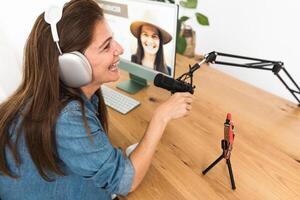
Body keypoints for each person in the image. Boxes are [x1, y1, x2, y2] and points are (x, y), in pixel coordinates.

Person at [0, 0, 193, 199]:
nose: (119, 49)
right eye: (106, 46)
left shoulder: (49, 96)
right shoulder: (67, 118)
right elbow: (126, 182)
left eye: (113, 40)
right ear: (71, 65)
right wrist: (161, 117)